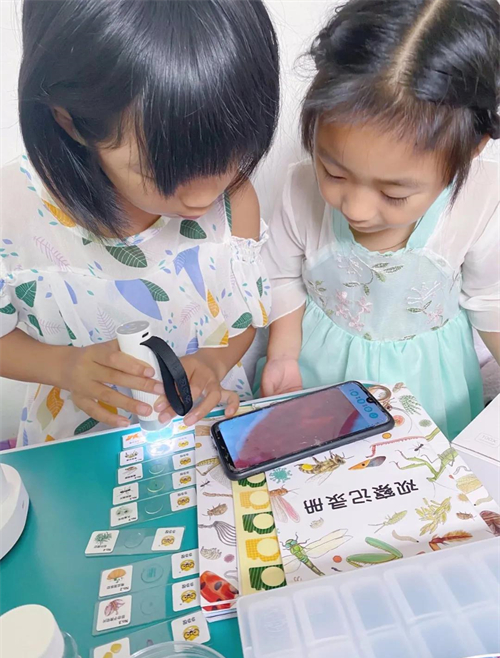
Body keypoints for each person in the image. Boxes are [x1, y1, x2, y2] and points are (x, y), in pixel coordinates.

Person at [0, 0, 279, 446]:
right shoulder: (12, 209)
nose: (202, 198)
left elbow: (242, 314)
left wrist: (214, 362)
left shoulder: (234, 202)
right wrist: (65, 367)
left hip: (200, 431)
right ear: (71, 121)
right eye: (162, 173)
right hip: (75, 444)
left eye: (226, 160)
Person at [260, 0, 499, 439]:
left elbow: (491, 301)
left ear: (472, 149)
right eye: (333, 172)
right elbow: (279, 277)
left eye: (394, 194)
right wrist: (282, 355)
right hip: (321, 374)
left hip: (429, 388)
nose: (355, 209)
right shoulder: (299, 190)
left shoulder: (480, 201)